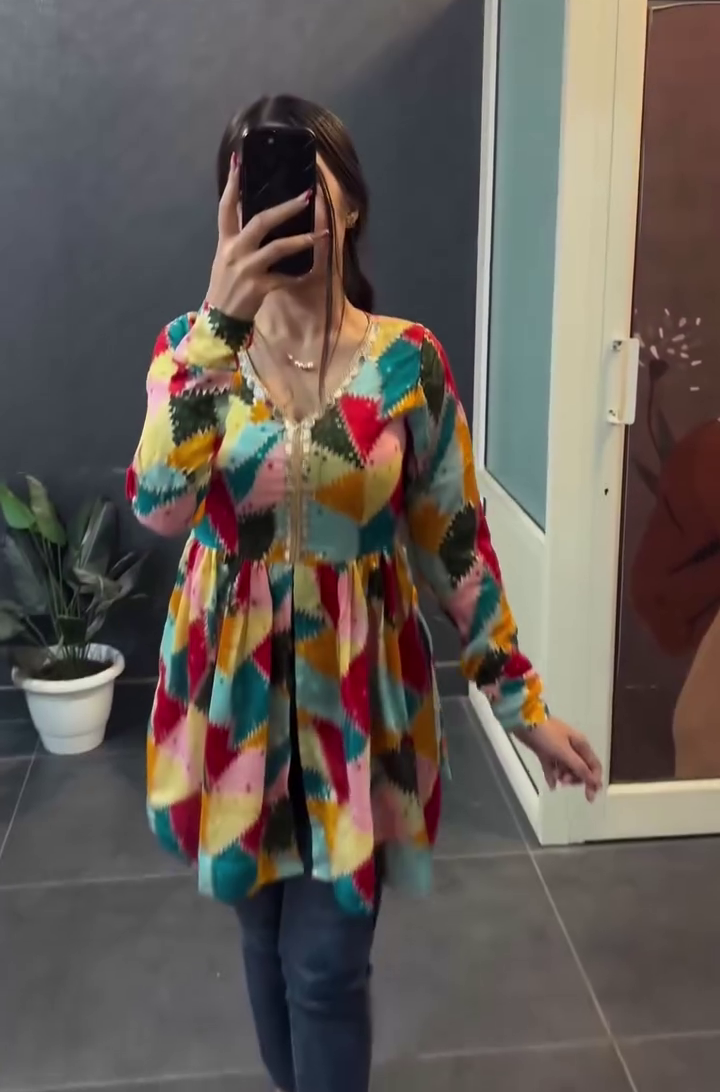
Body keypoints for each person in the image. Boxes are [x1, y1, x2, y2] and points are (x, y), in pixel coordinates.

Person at [127, 94, 603, 1092]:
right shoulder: (191, 350)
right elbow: (160, 508)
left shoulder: (406, 362)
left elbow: (455, 545)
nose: (287, 209)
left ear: (348, 204)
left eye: (307, 186)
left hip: (357, 705)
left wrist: (523, 707)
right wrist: (218, 326)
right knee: (262, 939)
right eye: (258, 190)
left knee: (327, 966)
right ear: (229, 211)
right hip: (233, 704)